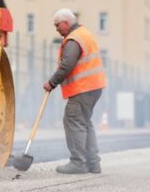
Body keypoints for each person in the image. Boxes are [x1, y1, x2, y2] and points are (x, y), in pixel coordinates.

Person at [43, 9, 107, 174]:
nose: (57, 29)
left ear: (66, 22)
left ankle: (78, 163)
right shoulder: (85, 34)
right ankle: (93, 163)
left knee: (73, 120)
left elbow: (66, 65)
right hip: (94, 86)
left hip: (83, 88)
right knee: (85, 123)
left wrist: (51, 83)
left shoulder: (74, 39)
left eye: (57, 25)